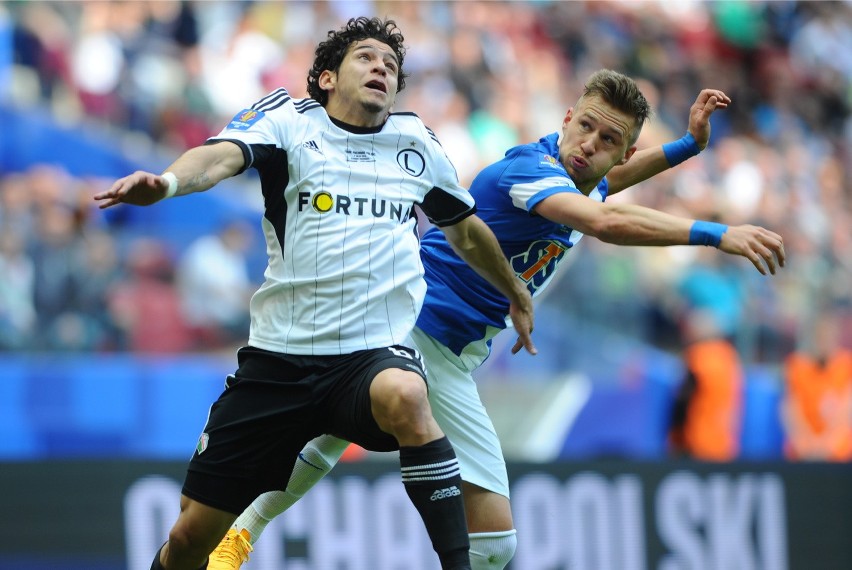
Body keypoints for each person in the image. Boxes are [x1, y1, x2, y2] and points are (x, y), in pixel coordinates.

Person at [212, 70, 787, 569]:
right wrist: (717, 233)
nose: (589, 144)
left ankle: (238, 535)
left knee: (342, 440)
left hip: (430, 339)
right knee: (494, 540)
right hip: (416, 326)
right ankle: (238, 534)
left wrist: (688, 145)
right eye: (584, 126)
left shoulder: (580, 173)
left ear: (623, 152)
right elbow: (604, 222)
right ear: (566, 119)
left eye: (608, 139)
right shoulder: (527, 173)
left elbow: (610, 182)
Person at [94, 17, 536, 570]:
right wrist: (169, 183)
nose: (382, 68)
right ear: (326, 77)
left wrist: (515, 290)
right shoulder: (286, 120)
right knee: (189, 540)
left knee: (407, 394)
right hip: (278, 363)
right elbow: (219, 155)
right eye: (367, 58)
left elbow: (466, 229)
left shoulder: (416, 143)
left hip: (366, 358)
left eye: (391, 66)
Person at [668, 309, 744, 461]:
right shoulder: (729, 355)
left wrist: (675, 439)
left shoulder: (698, 356)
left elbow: (683, 400)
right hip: (724, 440)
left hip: (696, 440)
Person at [781, 310, 852, 461]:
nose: (824, 341)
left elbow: (846, 411)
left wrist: (827, 444)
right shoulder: (797, 366)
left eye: (828, 336)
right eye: (820, 336)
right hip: (804, 447)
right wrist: (806, 443)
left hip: (838, 449)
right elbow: (792, 409)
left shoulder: (846, 365)